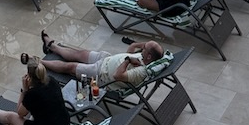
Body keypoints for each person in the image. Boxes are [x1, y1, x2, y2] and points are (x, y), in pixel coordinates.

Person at [36, 33, 164, 87]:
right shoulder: (144, 57)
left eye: (145, 48)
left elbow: (118, 75)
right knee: (79, 53)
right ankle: (52, 46)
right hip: (106, 58)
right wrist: (137, 45)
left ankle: (39, 62)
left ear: (149, 57)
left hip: (101, 74)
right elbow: (129, 51)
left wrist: (128, 60)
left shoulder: (140, 71)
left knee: (70, 67)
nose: (143, 47)